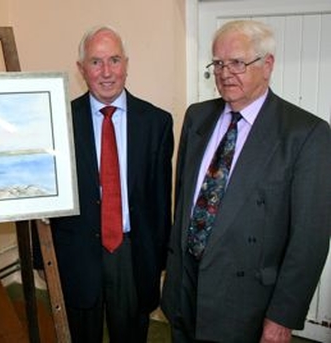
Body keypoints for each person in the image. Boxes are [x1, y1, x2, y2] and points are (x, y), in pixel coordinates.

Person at [161, 20, 331, 342]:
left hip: (246, 306)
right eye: (219, 63)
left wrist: (282, 317)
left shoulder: (305, 134)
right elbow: (183, 201)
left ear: (267, 65)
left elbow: (310, 239)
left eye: (237, 62)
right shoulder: (197, 117)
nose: (225, 73)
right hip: (185, 291)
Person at [35, 25, 173, 342]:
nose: (106, 72)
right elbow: (40, 193)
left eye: (114, 60)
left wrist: (162, 259)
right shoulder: (58, 121)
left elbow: (161, 199)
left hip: (132, 253)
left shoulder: (157, 123)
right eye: (96, 62)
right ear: (82, 68)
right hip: (76, 253)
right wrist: (40, 256)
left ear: (126, 63)